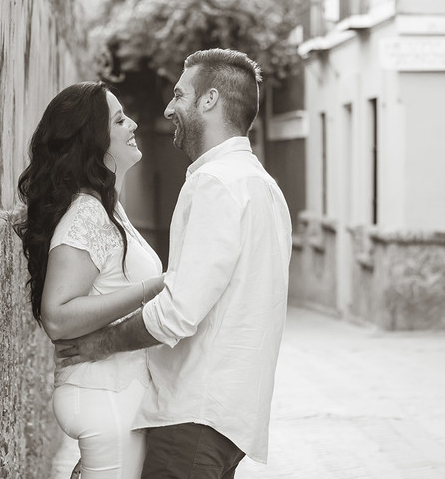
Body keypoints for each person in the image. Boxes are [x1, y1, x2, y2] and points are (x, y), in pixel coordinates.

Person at [57, 49, 293, 479]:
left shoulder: (214, 183)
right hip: (229, 419)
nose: (169, 108)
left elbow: (178, 313)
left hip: (191, 419)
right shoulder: (263, 186)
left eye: (180, 94)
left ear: (209, 101)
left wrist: (101, 343)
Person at [15, 81, 164, 479]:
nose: (132, 124)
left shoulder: (106, 207)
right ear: (93, 141)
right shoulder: (87, 214)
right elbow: (58, 316)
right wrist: (154, 287)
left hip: (116, 394)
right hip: (104, 397)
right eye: (119, 119)